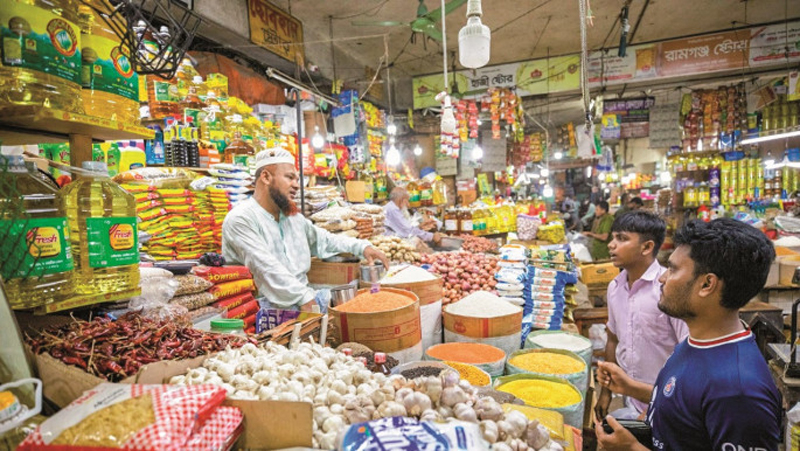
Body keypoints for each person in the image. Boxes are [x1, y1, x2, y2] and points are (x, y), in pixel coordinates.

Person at [596, 218, 781, 451]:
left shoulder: (739, 392)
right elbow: (682, 404)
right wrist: (630, 388)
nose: (662, 278)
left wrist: (633, 448)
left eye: (672, 269)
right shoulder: (695, 343)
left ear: (706, 285)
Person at [222, 148, 389, 311]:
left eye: (297, 179)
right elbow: (265, 267)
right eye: (289, 178)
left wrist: (362, 247)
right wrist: (305, 298)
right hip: (261, 310)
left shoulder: (293, 218)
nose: (296, 185)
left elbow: (324, 239)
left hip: (302, 301)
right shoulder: (241, 219)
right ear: (266, 176)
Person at [595, 211, 688, 421]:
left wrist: (656, 405)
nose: (611, 244)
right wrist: (606, 392)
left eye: (622, 238)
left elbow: (688, 353)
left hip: (671, 402)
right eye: (613, 237)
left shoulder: (667, 288)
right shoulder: (615, 287)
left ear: (647, 247)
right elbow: (612, 338)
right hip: (632, 398)